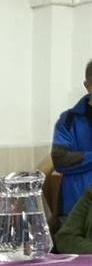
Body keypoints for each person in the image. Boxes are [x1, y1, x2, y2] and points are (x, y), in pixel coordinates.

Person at [51, 59, 92, 220]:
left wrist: (82, 157)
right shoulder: (68, 120)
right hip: (74, 209)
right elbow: (60, 160)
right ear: (87, 85)